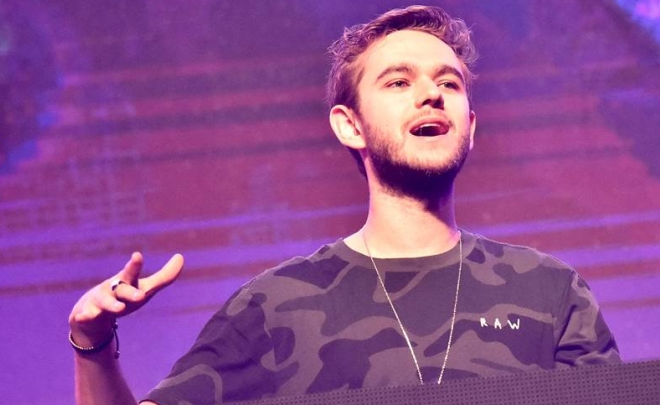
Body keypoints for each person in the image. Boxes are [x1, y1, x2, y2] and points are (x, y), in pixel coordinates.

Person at [68, 5, 621, 405]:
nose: (432, 94)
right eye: (398, 82)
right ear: (349, 125)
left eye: (449, 84)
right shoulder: (276, 306)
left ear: (470, 127)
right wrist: (92, 345)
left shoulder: (548, 291)